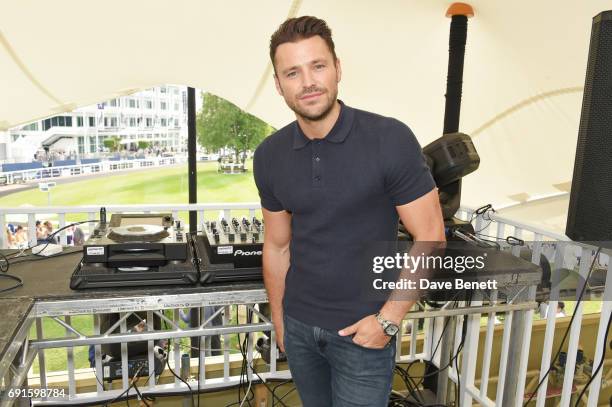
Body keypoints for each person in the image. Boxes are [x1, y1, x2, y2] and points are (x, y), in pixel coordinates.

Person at [253, 16, 445, 407]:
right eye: (292, 72)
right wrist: (280, 320)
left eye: (317, 66)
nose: (307, 82)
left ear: (337, 69)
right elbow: (276, 247)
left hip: (364, 333)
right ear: (279, 85)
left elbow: (431, 238)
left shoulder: (389, 139)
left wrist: (388, 320)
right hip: (301, 329)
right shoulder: (269, 155)